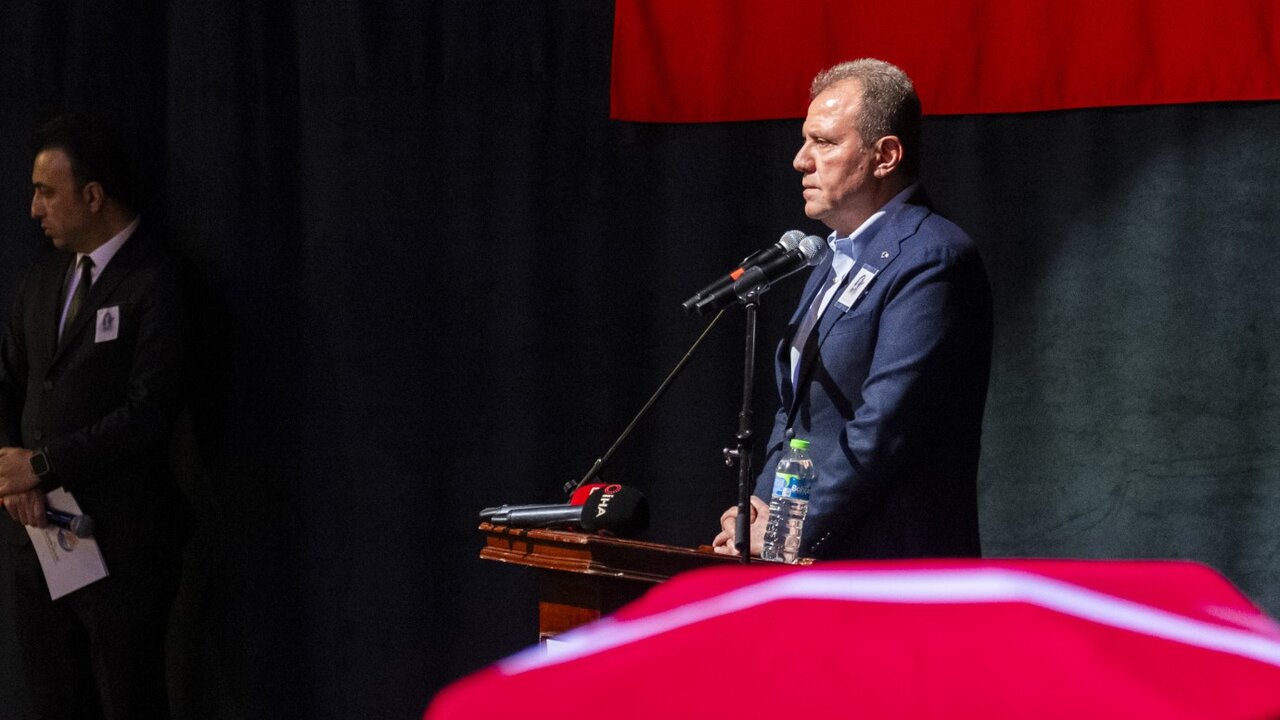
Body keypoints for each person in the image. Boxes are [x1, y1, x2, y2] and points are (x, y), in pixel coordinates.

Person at [713, 59, 992, 560]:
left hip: (888, 568)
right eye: (805, 141)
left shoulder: (933, 258)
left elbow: (884, 428)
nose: (801, 160)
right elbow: (796, 415)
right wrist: (759, 506)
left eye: (823, 142)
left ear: (885, 156)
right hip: (812, 557)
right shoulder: (832, 257)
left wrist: (785, 530)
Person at [0, 113, 189, 718]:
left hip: (123, 550)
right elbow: (7, 386)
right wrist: (12, 479)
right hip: (38, 544)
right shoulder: (40, 280)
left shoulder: (157, 282)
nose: (34, 209)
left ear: (93, 195)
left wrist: (42, 465)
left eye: (46, 192)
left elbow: (148, 414)